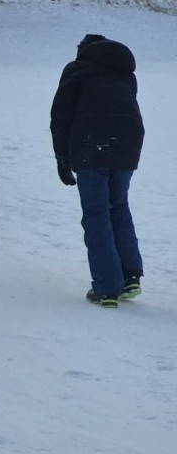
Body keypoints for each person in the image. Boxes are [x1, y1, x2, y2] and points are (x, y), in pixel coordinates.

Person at [50, 33, 145, 308]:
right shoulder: (126, 72)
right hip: (128, 142)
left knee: (96, 213)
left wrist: (62, 158)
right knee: (119, 206)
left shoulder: (77, 69)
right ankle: (130, 277)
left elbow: (61, 114)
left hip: (92, 143)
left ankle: (106, 288)